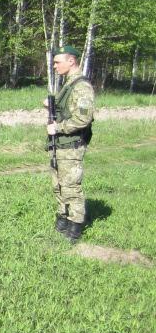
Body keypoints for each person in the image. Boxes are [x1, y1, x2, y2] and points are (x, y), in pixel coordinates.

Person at [46, 46, 94, 243]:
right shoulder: (68, 84)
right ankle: (63, 218)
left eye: (58, 62)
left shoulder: (81, 86)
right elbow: (67, 107)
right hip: (61, 145)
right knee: (58, 185)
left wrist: (58, 128)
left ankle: (75, 227)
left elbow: (83, 119)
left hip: (71, 144)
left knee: (71, 186)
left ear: (71, 61)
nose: (55, 66)